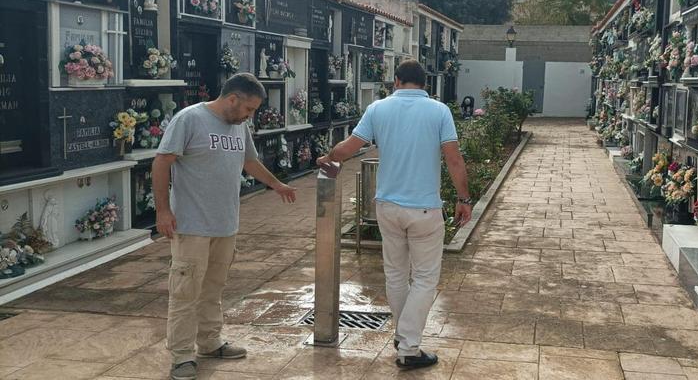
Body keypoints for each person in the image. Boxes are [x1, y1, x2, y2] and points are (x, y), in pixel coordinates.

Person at [317, 59, 472, 371]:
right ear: (424, 83)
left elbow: (349, 147)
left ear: (397, 81)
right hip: (424, 208)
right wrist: (464, 198)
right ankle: (409, 346)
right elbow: (454, 160)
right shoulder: (439, 111)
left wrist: (329, 157)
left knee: (397, 275)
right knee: (426, 277)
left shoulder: (378, 109)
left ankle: (404, 337)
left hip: (387, 206)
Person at [152, 73, 296, 380]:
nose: (250, 115)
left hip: (225, 224)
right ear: (233, 99)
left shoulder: (238, 126)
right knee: (185, 290)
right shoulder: (189, 119)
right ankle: (181, 355)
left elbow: (249, 161)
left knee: (213, 288)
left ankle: (210, 341)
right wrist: (163, 211)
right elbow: (162, 161)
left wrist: (277, 185)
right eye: (249, 109)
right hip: (191, 224)